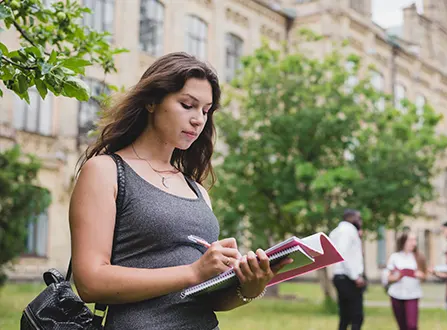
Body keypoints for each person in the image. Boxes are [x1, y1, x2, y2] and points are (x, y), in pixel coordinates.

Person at [69, 52, 291, 330]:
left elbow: (206, 298)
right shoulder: (106, 171)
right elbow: (90, 282)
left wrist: (249, 286)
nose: (199, 119)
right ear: (151, 101)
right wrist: (193, 271)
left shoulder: (197, 190)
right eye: (188, 105)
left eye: (206, 111)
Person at [381, 231, 427, 330]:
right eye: (411, 240)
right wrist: (396, 277)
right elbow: (387, 277)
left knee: (412, 325)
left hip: (412, 294)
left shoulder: (418, 257)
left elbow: (425, 275)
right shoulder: (395, 257)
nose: (413, 243)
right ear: (403, 241)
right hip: (396, 294)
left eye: (415, 240)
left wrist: (419, 275)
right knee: (402, 326)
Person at [329, 209, 365, 330]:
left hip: (339, 276)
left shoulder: (336, 231)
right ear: (351, 218)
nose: (360, 222)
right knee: (357, 316)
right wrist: (356, 276)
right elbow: (342, 255)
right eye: (359, 218)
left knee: (345, 316)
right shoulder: (349, 230)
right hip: (349, 278)